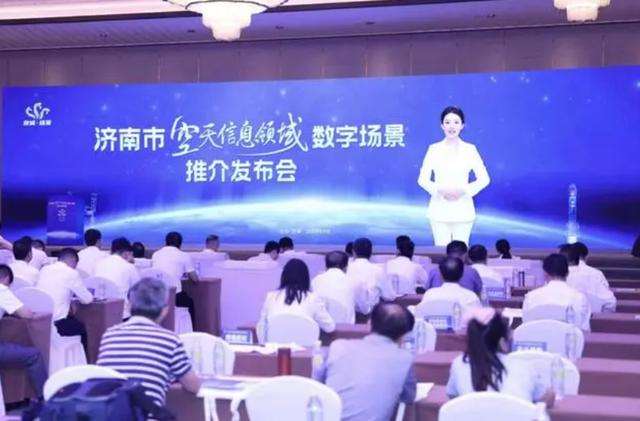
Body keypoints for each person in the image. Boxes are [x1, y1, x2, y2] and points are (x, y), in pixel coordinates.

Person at [97, 278, 201, 406]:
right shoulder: (169, 340)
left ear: (129, 306)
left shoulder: (109, 335)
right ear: (164, 310)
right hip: (148, 413)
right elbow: (193, 386)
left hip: (110, 412)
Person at [322, 303, 416, 421]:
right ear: (405, 335)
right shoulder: (404, 359)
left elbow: (319, 385)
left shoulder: (337, 347)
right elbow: (409, 397)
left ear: (369, 324)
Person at [446, 307, 554, 407]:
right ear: (502, 342)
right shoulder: (524, 367)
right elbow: (547, 400)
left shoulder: (458, 365)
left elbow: (453, 398)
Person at [417, 106, 490, 246]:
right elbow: (422, 179)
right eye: (447, 122)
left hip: (463, 210)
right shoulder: (433, 149)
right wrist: (440, 190)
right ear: (442, 126)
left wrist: (464, 190)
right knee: (441, 251)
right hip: (439, 210)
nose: (452, 126)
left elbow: (484, 179)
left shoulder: (470, 150)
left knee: (461, 252)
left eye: (456, 122)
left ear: (462, 125)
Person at [0, 264, 48, 399]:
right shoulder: (2, 289)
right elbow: (27, 314)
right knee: (34, 355)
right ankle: (45, 400)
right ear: (6, 279)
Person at [37, 248, 92, 353]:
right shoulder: (71, 273)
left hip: (41, 321)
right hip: (58, 324)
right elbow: (87, 299)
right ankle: (82, 361)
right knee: (84, 329)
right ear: (73, 261)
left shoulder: (44, 270)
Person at [258, 259, 335, 334]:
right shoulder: (313, 298)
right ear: (306, 278)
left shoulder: (270, 297)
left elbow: (261, 328)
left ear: (283, 277)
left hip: (274, 342)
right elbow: (329, 327)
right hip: (305, 342)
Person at [523, 254, 590, 331]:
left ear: (545, 274)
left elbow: (526, 327)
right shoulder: (580, 298)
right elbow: (584, 329)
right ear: (568, 273)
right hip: (569, 338)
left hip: (537, 337)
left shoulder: (531, 297)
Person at [152, 232, 198, 323]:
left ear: (166, 242)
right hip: (175, 296)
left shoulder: (155, 254)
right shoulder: (184, 256)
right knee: (190, 303)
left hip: (156, 294)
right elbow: (195, 278)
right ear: (180, 244)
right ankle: (189, 329)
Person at [311, 251, 368, 322]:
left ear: (325, 267)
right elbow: (364, 309)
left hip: (321, 327)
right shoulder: (355, 281)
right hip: (346, 327)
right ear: (346, 267)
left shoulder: (315, 281)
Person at [94, 237, 140, 319]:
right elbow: (139, 290)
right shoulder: (128, 266)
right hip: (122, 315)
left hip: (100, 314)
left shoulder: (99, 264)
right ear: (126, 253)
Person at [563, 243, 615, 312]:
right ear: (586, 257)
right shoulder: (597, 273)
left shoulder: (560, 273)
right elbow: (610, 303)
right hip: (594, 316)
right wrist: (600, 316)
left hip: (564, 316)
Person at [347, 238, 396, 307]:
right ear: (371, 253)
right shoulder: (378, 271)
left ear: (353, 252)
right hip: (371, 312)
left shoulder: (346, 269)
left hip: (348, 311)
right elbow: (390, 296)